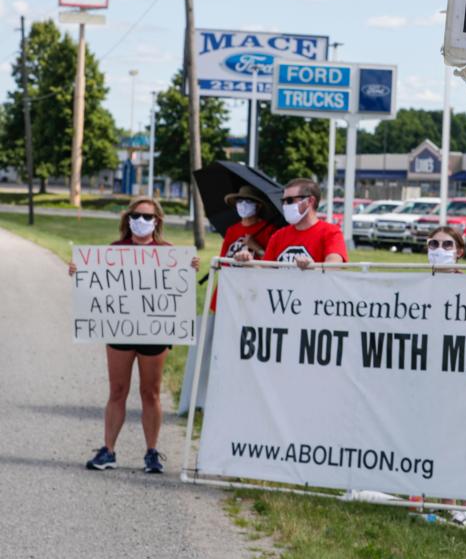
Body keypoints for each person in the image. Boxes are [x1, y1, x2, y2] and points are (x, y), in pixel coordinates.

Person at [69, 196, 200, 473]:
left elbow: (178, 292)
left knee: (150, 392)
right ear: (128, 219)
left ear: (157, 222)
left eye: (148, 217)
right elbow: (97, 287)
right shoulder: (114, 250)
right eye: (137, 215)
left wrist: (189, 270)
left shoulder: (169, 253)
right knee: (117, 391)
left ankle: (151, 452)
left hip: (154, 332)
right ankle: (108, 451)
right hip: (120, 330)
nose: (142, 221)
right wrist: (80, 272)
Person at [178, 185, 277, 415]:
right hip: (225, 294)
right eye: (239, 202)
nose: (243, 206)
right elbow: (222, 261)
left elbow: (271, 260)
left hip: (252, 295)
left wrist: (256, 248)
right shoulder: (232, 230)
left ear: (258, 206)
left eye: (247, 202)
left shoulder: (269, 230)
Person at [425, 226, 466, 528]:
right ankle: (446, 506)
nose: (439, 248)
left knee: (464, 441)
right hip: (429, 376)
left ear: (459, 251)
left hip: (462, 377)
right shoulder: (418, 284)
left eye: (447, 244)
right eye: (433, 243)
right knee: (438, 438)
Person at [235, 178, 347, 267]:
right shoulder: (279, 236)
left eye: (289, 200)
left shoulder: (331, 232)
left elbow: (333, 266)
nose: (285, 205)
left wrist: (312, 268)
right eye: (283, 201)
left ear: (310, 201)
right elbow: (265, 272)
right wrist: (249, 263)